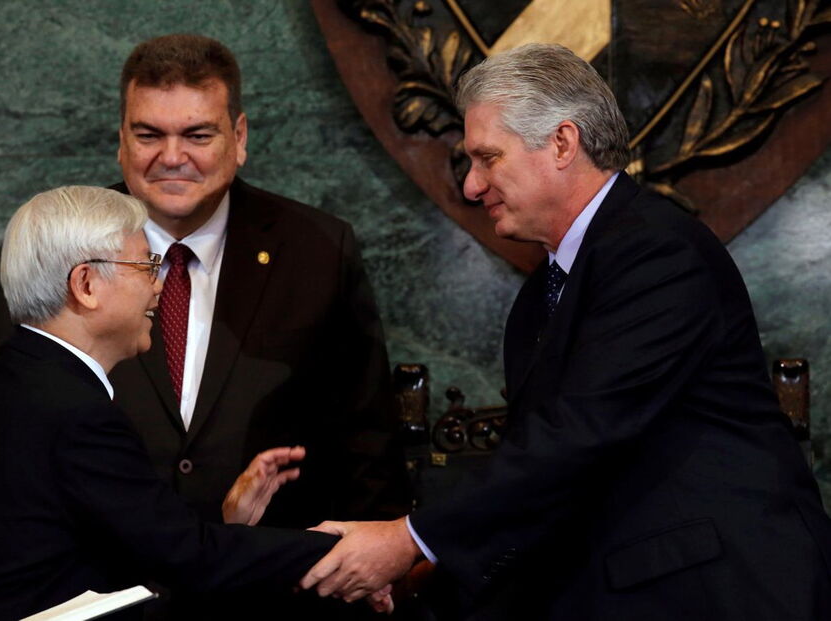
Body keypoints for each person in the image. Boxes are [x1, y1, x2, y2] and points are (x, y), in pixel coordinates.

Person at [299, 43, 831, 620]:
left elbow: (579, 437)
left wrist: (407, 540)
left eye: (487, 158)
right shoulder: (541, 296)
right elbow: (549, 484)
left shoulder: (655, 252)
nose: (472, 186)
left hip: (722, 592)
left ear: (561, 143)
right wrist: (427, 569)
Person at [0, 35, 409, 534]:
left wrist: (382, 563)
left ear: (239, 138)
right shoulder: (52, 247)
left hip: (273, 581)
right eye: (149, 135)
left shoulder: (318, 250)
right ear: (121, 140)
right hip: (96, 584)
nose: (172, 157)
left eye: (198, 135)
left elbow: (367, 436)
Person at [0, 186, 344, 620]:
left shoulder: (15, 375)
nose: (158, 287)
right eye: (145, 266)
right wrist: (346, 551)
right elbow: (185, 557)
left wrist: (220, 515)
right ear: (85, 284)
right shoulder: (71, 408)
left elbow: (114, 527)